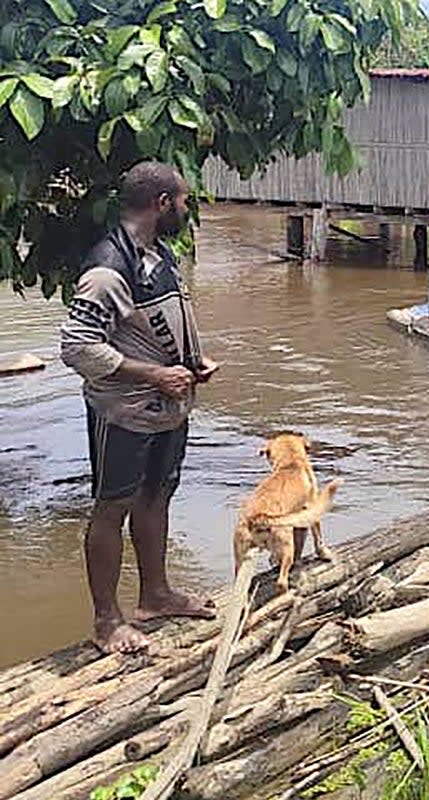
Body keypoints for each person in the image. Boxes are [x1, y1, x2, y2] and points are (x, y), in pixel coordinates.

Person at [60, 161, 220, 654]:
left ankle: (156, 594)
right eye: (184, 201)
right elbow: (77, 346)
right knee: (112, 507)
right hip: (124, 411)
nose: (186, 209)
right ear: (162, 204)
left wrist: (193, 361)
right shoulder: (109, 267)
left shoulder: (158, 253)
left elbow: (161, 321)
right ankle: (107, 621)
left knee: (158, 494)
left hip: (167, 407)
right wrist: (154, 374)